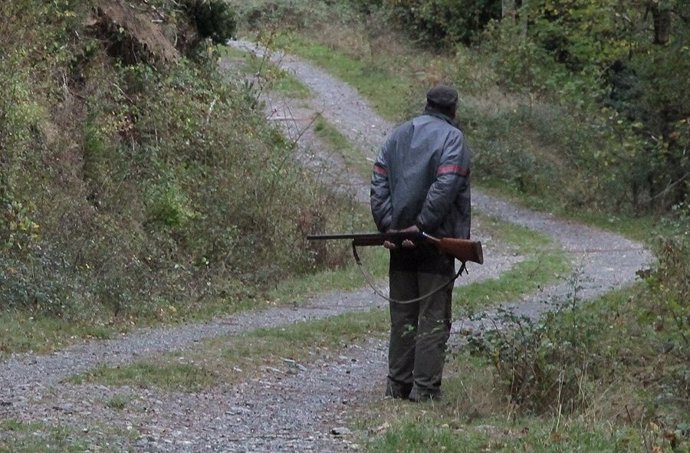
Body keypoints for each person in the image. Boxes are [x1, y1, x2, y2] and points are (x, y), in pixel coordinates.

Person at [370, 84, 472, 402]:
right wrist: (421, 227)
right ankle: (425, 389)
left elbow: (378, 181)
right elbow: (446, 186)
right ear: (453, 109)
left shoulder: (399, 134)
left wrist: (391, 228)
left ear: (426, 104)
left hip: (400, 242)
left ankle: (397, 385)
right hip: (435, 243)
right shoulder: (453, 139)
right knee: (433, 317)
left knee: (402, 314)